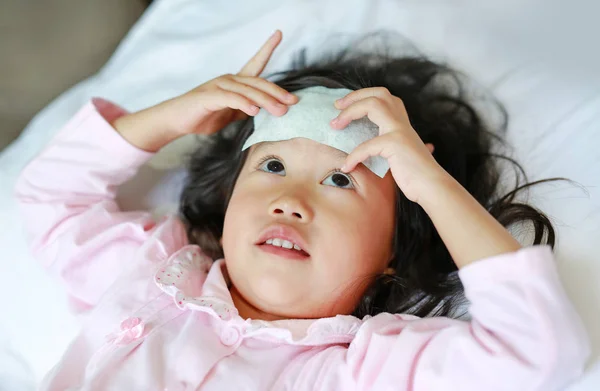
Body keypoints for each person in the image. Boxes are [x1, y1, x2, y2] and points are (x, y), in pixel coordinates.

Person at [15, 30, 589, 390]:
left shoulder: (364, 369)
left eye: (341, 179)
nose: (291, 201)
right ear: (228, 193)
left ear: (394, 251)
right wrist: (171, 117)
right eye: (270, 167)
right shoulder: (150, 273)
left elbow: (536, 353)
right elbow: (50, 196)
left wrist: (430, 183)